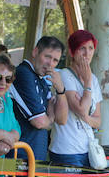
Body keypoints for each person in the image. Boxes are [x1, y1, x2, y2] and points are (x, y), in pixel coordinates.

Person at [49, 30, 102, 177]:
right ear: (72, 52)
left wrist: (86, 117)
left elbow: (97, 120)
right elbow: (80, 108)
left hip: (85, 150)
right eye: (81, 49)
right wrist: (87, 85)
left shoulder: (93, 79)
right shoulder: (64, 75)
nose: (87, 54)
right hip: (66, 151)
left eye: (90, 48)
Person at [10, 36, 68, 164]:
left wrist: (60, 89)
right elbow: (40, 122)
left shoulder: (40, 78)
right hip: (18, 157)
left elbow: (62, 119)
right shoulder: (23, 74)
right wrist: (50, 118)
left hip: (33, 156)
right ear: (35, 52)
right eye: (47, 57)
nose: (50, 64)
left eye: (55, 60)